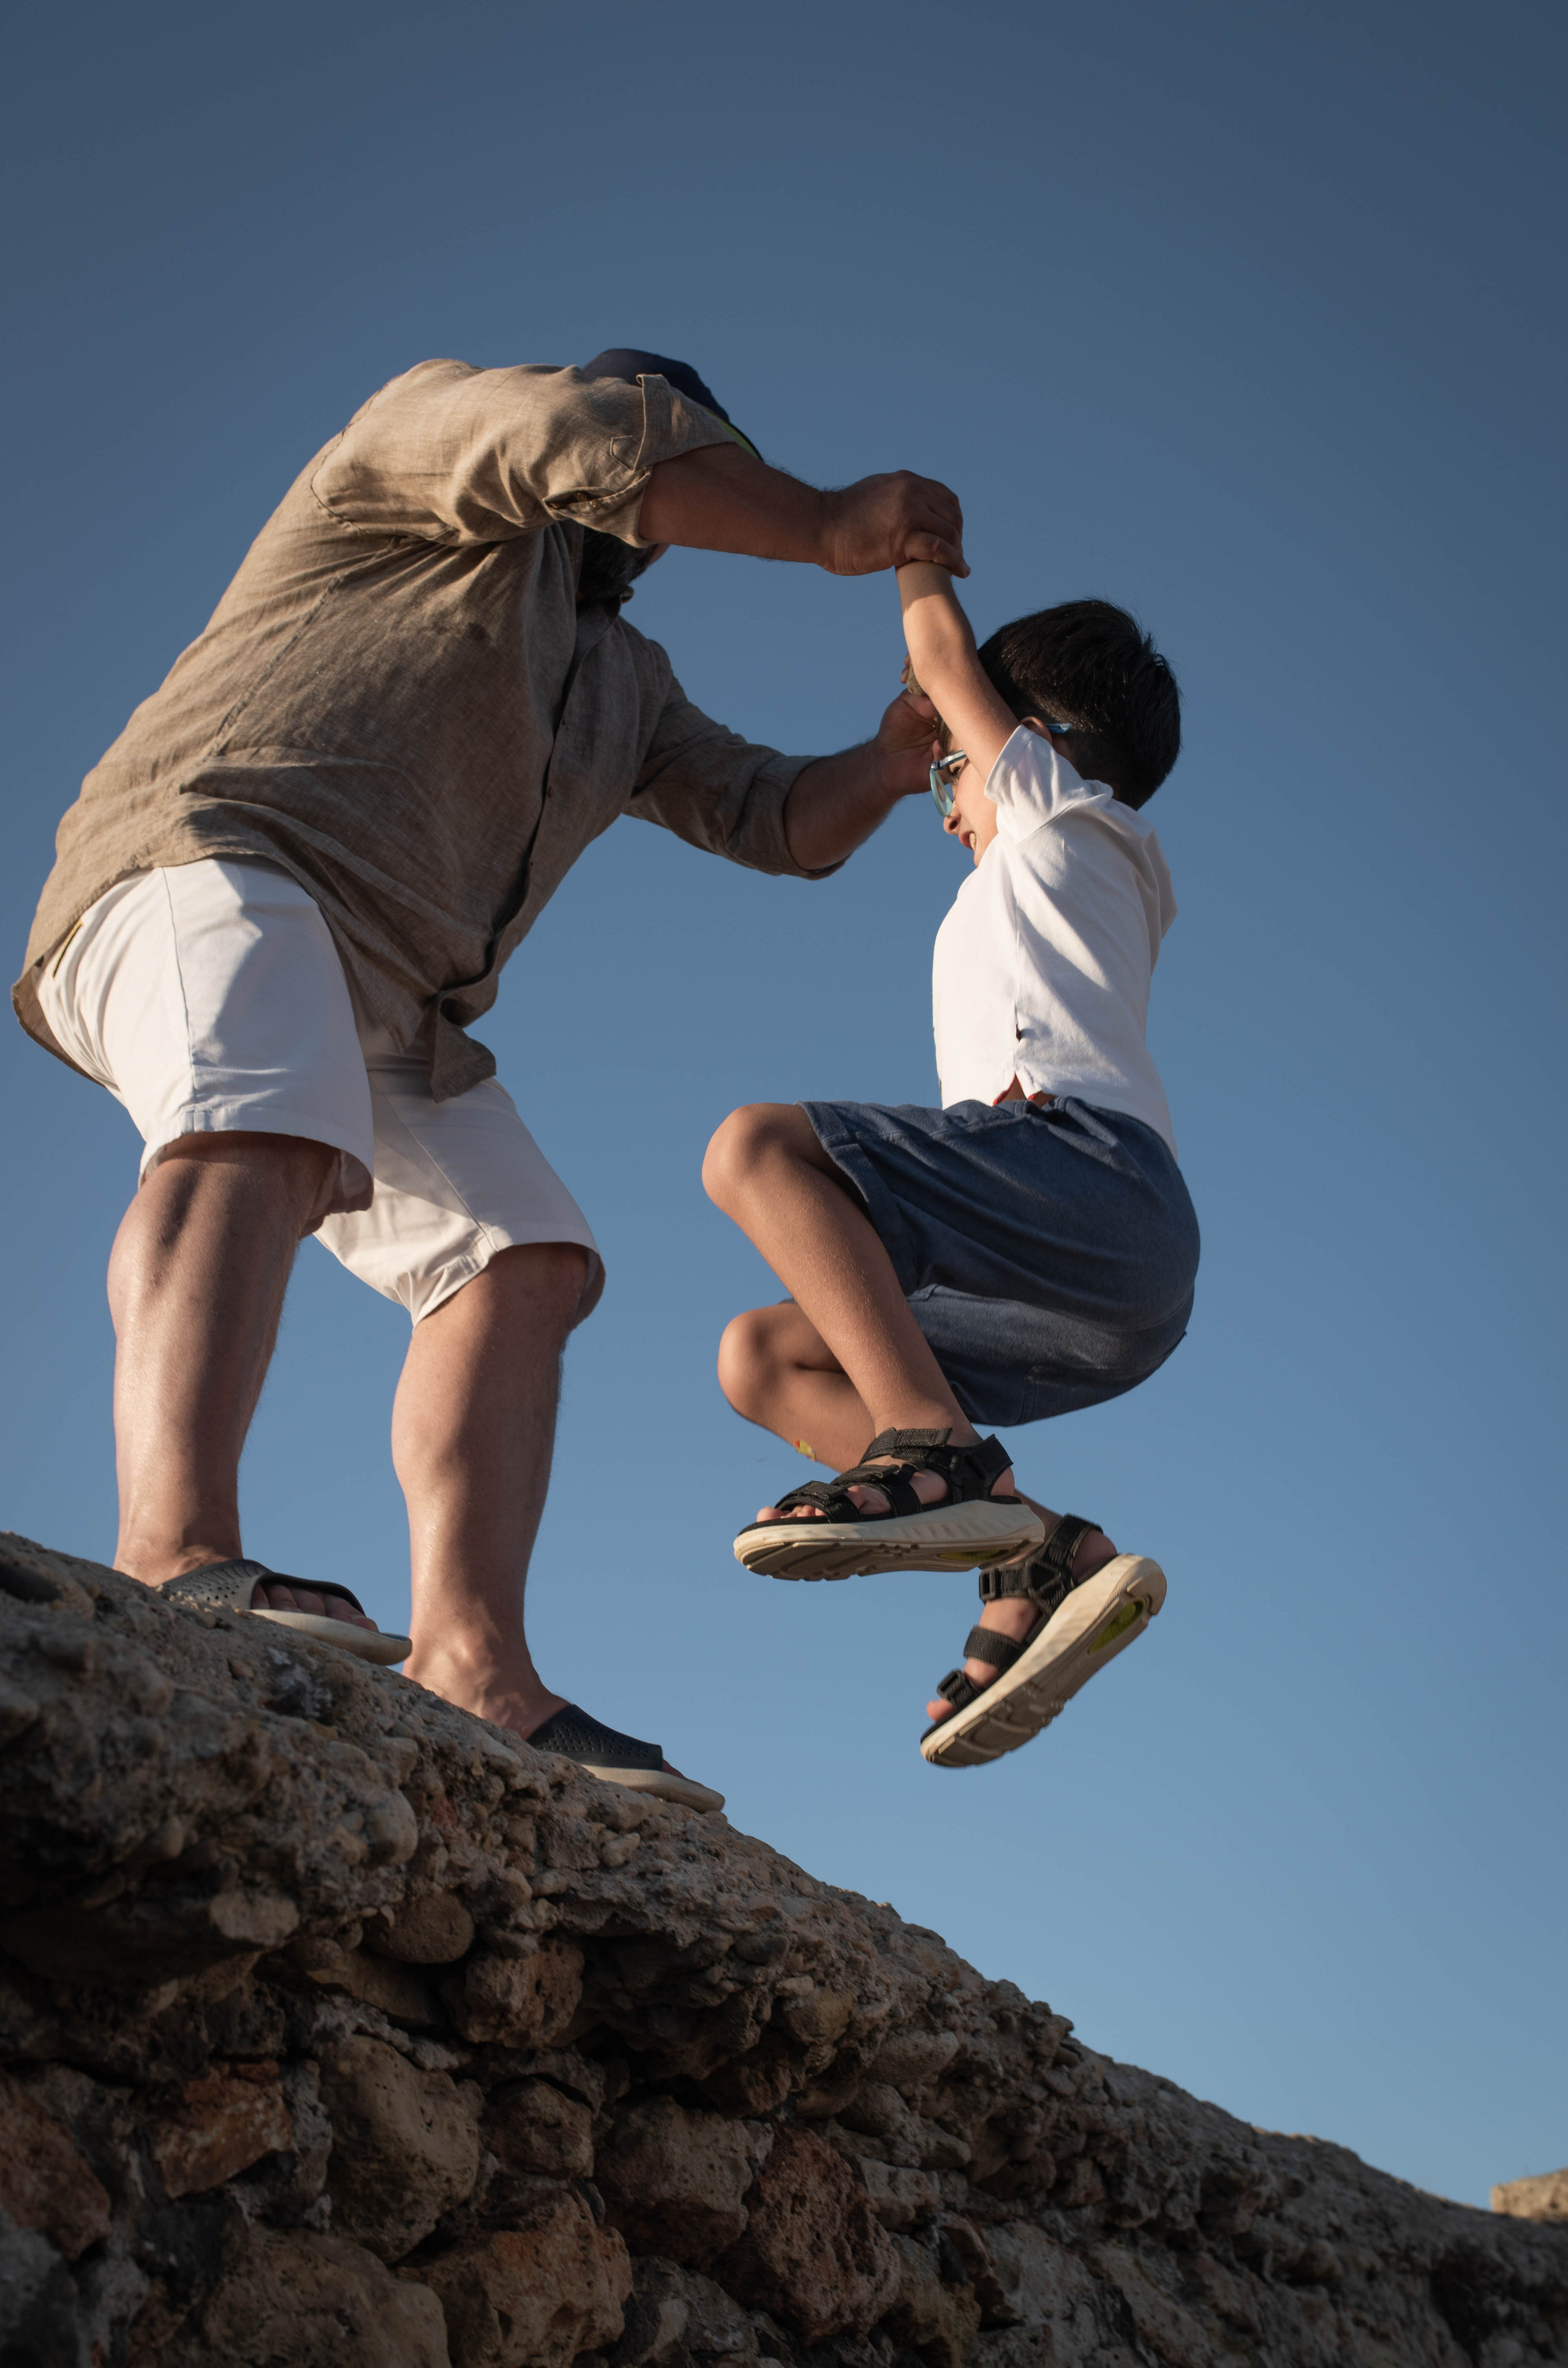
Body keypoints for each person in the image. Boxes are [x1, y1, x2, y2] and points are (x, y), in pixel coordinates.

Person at [13, 350, 968, 1811]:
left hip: (394, 999)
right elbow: (562, 437)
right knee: (261, 1111)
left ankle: (472, 1667)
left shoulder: (622, 685)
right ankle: (172, 1552)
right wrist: (830, 522)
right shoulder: (412, 456)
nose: (654, 508)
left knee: (524, 1255)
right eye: (666, 463)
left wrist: (892, 759)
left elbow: (772, 816)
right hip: (209, 859)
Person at [703, 563, 1200, 1769]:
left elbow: (940, 655)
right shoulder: (1055, 867)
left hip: (1089, 1180)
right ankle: (1033, 1551)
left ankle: (930, 1442)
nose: (942, 807)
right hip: (1086, 1284)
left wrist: (909, 550)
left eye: (947, 768)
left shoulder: (1060, 811)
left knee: (754, 1148)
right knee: (762, 1355)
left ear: (1023, 741)